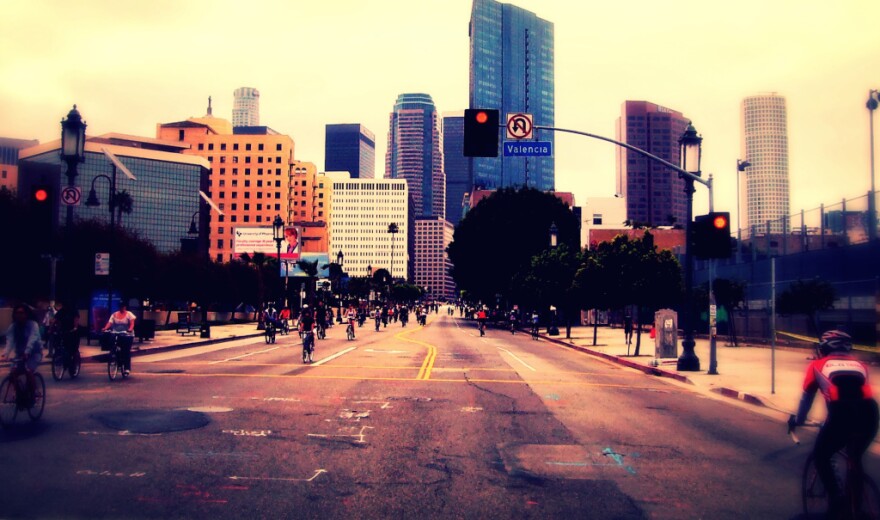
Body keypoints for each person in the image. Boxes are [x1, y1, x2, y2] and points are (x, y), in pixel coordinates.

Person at [789, 330, 879, 516]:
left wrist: (798, 420)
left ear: (824, 348)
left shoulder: (817, 365)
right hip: (870, 415)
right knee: (855, 458)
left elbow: (807, 399)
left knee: (821, 455)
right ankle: (858, 506)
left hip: (841, 417)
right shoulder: (860, 365)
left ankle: (837, 498)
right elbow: (858, 397)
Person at [2, 304, 43, 398]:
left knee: (28, 371)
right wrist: (6, 353)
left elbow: (32, 338)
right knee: (13, 373)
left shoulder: (33, 325)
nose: (19, 315)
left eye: (21, 313)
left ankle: (34, 391)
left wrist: (27, 352)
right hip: (20, 354)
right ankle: (17, 392)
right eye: (17, 313)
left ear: (26, 314)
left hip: (34, 353)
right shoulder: (13, 326)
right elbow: (10, 340)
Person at [103, 303, 136, 376]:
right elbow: (110, 323)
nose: (122, 308)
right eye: (120, 307)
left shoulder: (129, 314)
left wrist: (130, 329)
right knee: (113, 344)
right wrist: (105, 328)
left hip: (127, 335)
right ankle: (114, 357)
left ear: (125, 307)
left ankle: (127, 368)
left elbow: (132, 323)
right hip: (116, 333)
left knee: (126, 351)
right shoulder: (114, 314)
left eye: (123, 306)